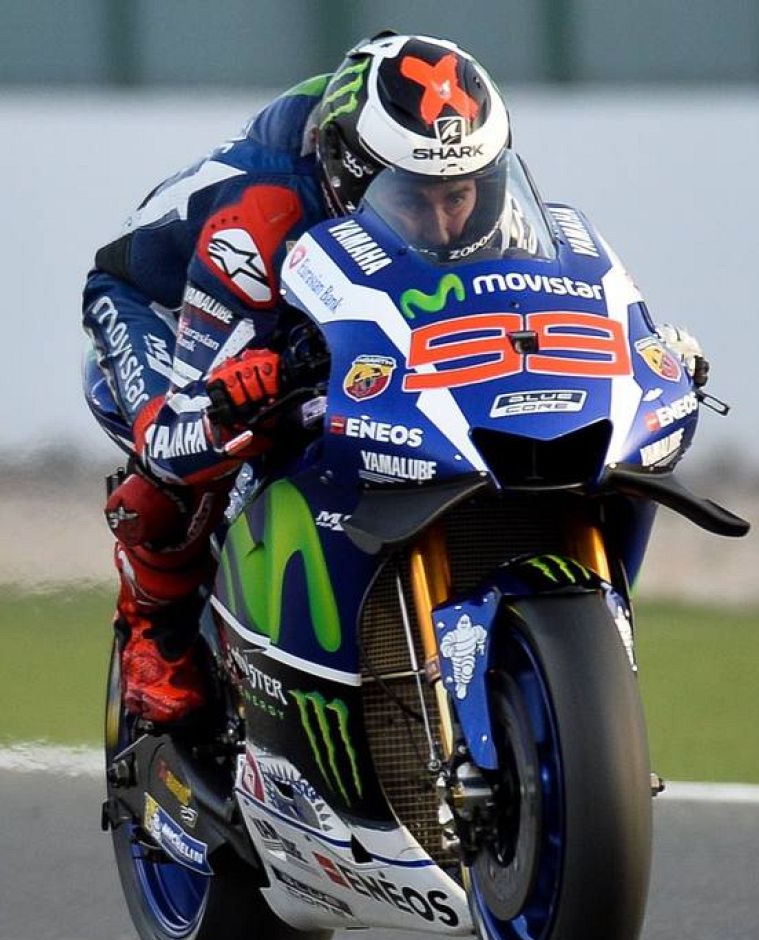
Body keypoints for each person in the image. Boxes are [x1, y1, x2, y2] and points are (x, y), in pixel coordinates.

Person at [81, 31, 514, 728]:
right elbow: (187, 423)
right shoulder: (260, 213)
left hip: (301, 294)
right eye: (412, 199)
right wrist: (247, 389)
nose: (441, 223)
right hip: (168, 304)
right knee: (200, 448)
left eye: (458, 195)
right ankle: (152, 630)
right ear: (350, 175)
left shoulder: (472, 191)